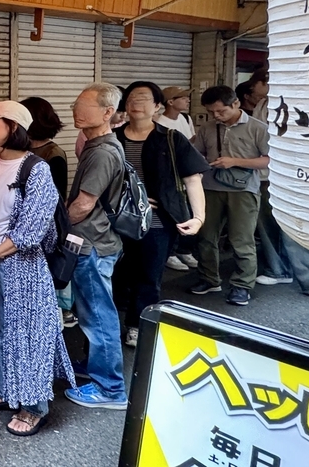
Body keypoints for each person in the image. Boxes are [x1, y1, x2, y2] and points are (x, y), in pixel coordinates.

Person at [0, 101, 75, 437]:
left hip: (20, 266)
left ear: (13, 126)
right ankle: (1, 389)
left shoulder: (36, 169)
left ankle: (34, 407)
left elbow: (32, 229)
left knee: (27, 333)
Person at [112, 82, 209, 347]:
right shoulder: (113, 138)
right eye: (131, 98)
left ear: (157, 106)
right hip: (117, 221)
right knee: (117, 275)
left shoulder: (170, 137)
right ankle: (111, 327)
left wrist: (198, 216)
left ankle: (136, 324)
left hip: (156, 222)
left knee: (149, 276)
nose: (136, 103)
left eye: (143, 98)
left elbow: (192, 178)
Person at [245, 78, 309, 312]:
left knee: (304, 227)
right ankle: (278, 269)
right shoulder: (264, 104)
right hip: (269, 173)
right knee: (268, 223)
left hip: (304, 175)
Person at [64, 82, 129, 410]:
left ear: (107, 113)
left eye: (85, 106)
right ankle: (96, 370)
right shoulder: (97, 143)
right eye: (76, 104)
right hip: (97, 241)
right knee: (94, 312)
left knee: (99, 316)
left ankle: (111, 388)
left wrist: (55, 226)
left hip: (92, 243)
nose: (77, 111)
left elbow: (83, 205)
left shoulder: (102, 151)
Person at [190, 86, 270, 307]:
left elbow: (268, 159)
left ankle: (242, 285)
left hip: (244, 191)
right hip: (210, 187)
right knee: (206, 237)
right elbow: (197, 153)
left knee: (241, 239)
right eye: (211, 112)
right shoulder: (207, 127)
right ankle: (209, 279)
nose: (216, 116)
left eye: (221, 111)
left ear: (235, 103)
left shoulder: (258, 128)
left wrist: (235, 161)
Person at [19, 97, 76, 328]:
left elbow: (56, 199)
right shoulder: (21, 149)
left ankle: (57, 316)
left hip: (43, 227)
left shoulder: (53, 154)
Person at [158, 86, 200, 272]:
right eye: (183, 98)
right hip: (170, 175)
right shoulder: (160, 121)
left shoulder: (185, 118)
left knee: (189, 211)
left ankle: (184, 249)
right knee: (174, 213)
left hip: (186, 172)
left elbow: (191, 142)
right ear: (170, 102)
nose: (187, 101)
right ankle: (172, 253)